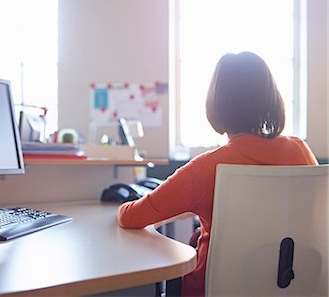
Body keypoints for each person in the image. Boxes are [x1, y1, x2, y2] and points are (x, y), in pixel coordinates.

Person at [118, 52, 318, 297]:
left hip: (213, 289)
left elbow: (131, 218)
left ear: (217, 102)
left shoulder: (206, 168)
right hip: (290, 285)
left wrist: (119, 205)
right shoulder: (300, 151)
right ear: (271, 98)